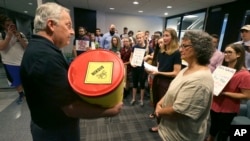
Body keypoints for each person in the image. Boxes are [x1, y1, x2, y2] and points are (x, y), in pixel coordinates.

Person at [20, 2, 123, 141]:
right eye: (68, 25)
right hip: (55, 131)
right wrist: (110, 111)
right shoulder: (45, 58)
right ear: (51, 25)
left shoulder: (42, 48)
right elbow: (70, 108)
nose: (73, 31)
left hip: (51, 124)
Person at [155, 30, 214, 141]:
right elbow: (172, 89)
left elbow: (179, 111)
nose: (180, 49)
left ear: (198, 49)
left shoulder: (200, 80)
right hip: (170, 130)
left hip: (181, 136)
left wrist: (159, 111)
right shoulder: (187, 68)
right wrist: (160, 103)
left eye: (184, 46)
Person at [207, 44, 250, 141]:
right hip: (215, 105)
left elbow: (247, 95)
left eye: (230, 52)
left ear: (238, 54)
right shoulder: (221, 70)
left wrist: (225, 93)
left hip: (228, 109)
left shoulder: (245, 74)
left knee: (223, 133)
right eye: (225, 52)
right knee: (212, 129)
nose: (226, 54)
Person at [147, 28, 182, 132]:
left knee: (165, 105)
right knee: (156, 102)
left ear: (173, 38)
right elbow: (159, 68)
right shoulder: (161, 52)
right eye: (164, 35)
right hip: (157, 79)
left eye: (167, 35)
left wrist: (159, 72)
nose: (164, 38)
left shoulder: (176, 53)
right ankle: (159, 124)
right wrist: (152, 71)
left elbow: (176, 73)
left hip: (167, 82)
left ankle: (163, 127)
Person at [0, 14, 28, 104]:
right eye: (7, 25)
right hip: (9, 62)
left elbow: (26, 47)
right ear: (3, 26)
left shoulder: (20, 34)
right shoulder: (1, 35)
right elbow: (2, 47)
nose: (10, 26)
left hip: (23, 61)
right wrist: (8, 36)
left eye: (11, 24)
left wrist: (19, 37)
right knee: (16, 81)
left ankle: (29, 94)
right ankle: (21, 95)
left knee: (26, 79)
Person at [129, 31, 153, 106]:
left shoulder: (148, 47)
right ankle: (133, 98)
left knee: (142, 84)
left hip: (143, 68)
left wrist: (148, 56)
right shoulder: (134, 47)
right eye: (137, 38)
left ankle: (141, 100)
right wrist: (131, 63)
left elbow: (153, 56)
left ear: (143, 38)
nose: (139, 39)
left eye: (140, 38)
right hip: (135, 68)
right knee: (134, 84)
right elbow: (131, 57)